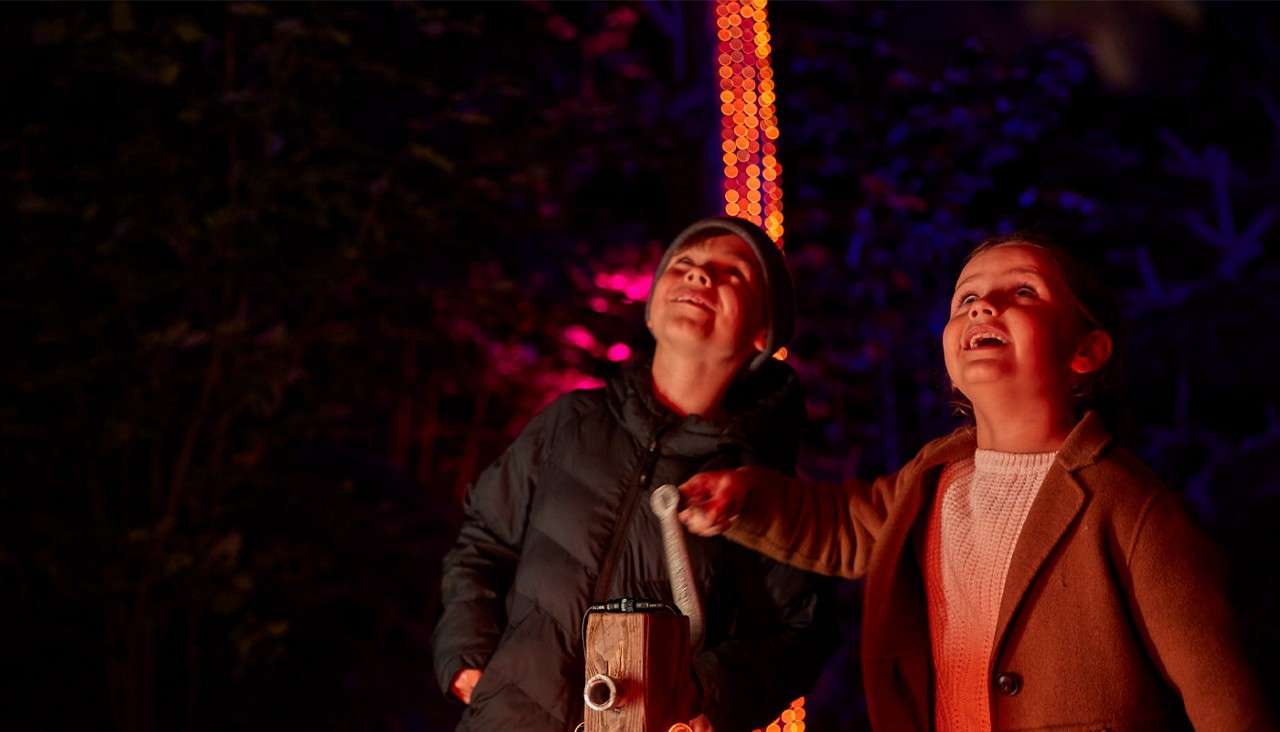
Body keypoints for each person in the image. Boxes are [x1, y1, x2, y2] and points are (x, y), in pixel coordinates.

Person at [679, 234, 1274, 731]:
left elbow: (1225, 700)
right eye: (966, 298)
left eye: (1022, 291)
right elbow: (848, 527)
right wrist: (746, 499)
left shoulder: (1132, 508)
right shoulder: (935, 479)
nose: (983, 307)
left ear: (1086, 351)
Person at [432, 216, 834, 732]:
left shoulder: (761, 485)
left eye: (730, 272)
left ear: (764, 330)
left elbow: (801, 631)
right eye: (683, 265)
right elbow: (483, 541)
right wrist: (469, 659)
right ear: (651, 310)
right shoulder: (569, 424)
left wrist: (701, 696)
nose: (697, 277)